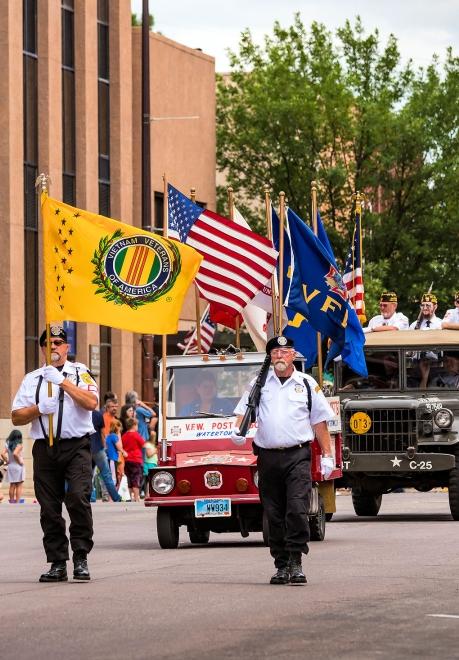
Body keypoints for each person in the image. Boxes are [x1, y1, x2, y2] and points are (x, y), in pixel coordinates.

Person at [232, 335, 335, 585]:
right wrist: (237, 432)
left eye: (285, 351)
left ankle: (296, 560)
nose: (280, 356)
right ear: (271, 357)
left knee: (297, 510)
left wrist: (328, 455)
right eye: (275, 352)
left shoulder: (307, 384)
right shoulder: (259, 384)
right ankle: (281, 565)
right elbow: (243, 413)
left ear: (293, 355)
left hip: (297, 455)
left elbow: (319, 422)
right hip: (267, 457)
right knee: (274, 514)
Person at [11, 325, 98, 583]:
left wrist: (63, 383)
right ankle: (58, 562)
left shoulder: (80, 372)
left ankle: (81, 556)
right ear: (42, 349)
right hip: (45, 448)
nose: (54, 348)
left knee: (78, 498)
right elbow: (16, 416)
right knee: (49, 508)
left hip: (76, 446)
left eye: (59, 342)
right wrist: (39, 408)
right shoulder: (32, 378)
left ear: (67, 347)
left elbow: (91, 403)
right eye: (48, 344)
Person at [90, 409, 121, 503]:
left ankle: (92, 497)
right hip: (98, 448)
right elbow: (103, 434)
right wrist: (104, 447)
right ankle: (116, 497)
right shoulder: (98, 415)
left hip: (86, 448)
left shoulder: (81, 413)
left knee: (88, 475)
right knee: (106, 475)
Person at [121, 417, 145, 502]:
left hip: (127, 460)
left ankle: (130, 496)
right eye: (137, 425)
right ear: (134, 425)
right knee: (136, 478)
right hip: (136, 459)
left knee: (129, 479)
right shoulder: (136, 435)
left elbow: (121, 447)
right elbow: (143, 444)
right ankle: (136, 497)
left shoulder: (123, 436)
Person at [3, 430, 25, 503]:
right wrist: (19, 462)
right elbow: (15, 454)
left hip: (11, 466)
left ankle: (12, 501)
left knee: (12, 484)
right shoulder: (19, 445)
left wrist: (7, 461)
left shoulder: (7, 444)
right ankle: (17, 502)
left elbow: (2, 454)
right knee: (19, 485)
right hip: (18, 466)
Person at [105, 419, 125, 486]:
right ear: (117, 427)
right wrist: (124, 452)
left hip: (109, 457)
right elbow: (119, 447)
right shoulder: (114, 436)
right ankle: (112, 494)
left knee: (113, 475)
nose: (120, 429)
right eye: (119, 427)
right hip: (113, 458)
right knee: (113, 477)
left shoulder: (108, 436)